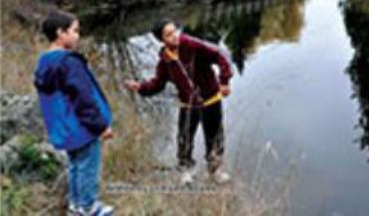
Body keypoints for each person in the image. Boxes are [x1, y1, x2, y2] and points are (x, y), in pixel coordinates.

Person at [124, 19, 233, 185]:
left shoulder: (192, 45)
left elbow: (219, 55)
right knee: (184, 139)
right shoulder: (165, 61)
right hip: (188, 105)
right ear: (161, 39)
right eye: (168, 35)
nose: (174, 36)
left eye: (174, 31)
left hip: (211, 99)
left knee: (215, 138)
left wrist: (224, 80)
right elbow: (157, 84)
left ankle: (215, 170)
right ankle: (186, 171)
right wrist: (140, 87)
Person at [34, 11, 114, 216]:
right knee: (88, 167)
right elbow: (84, 99)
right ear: (61, 33)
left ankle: (75, 205)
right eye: (75, 31)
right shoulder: (69, 63)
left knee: (75, 165)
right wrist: (101, 126)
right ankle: (88, 206)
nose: (78, 36)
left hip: (64, 129)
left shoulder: (45, 62)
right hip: (82, 128)